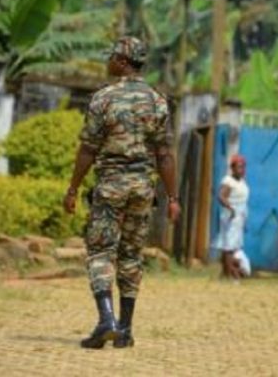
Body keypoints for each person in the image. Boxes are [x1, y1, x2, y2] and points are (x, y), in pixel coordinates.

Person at [63, 36, 181, 349]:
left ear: (122, 61)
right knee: (131, 255)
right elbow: (165, 153)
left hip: (111, 187)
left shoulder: (103, 98)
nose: (108, 61)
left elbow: (88, 148)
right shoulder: (157, 100)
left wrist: (73, 188)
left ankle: (106, 320)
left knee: (101, 251)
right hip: (143, 189)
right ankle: (125, 330)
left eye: (112, 56)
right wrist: (173, 198)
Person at [216, 155, 250, 281]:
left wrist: (244, 219)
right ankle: (233, 275)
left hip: (239, 218)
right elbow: (221, 196)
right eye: (239, 167)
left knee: (234, 246)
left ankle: (225, 273)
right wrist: (230, 208)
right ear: (232, 168)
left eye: (243, 167)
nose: (242, 170)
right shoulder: (229, 181)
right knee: (229, 247)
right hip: (231, 217)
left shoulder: (242, 182)